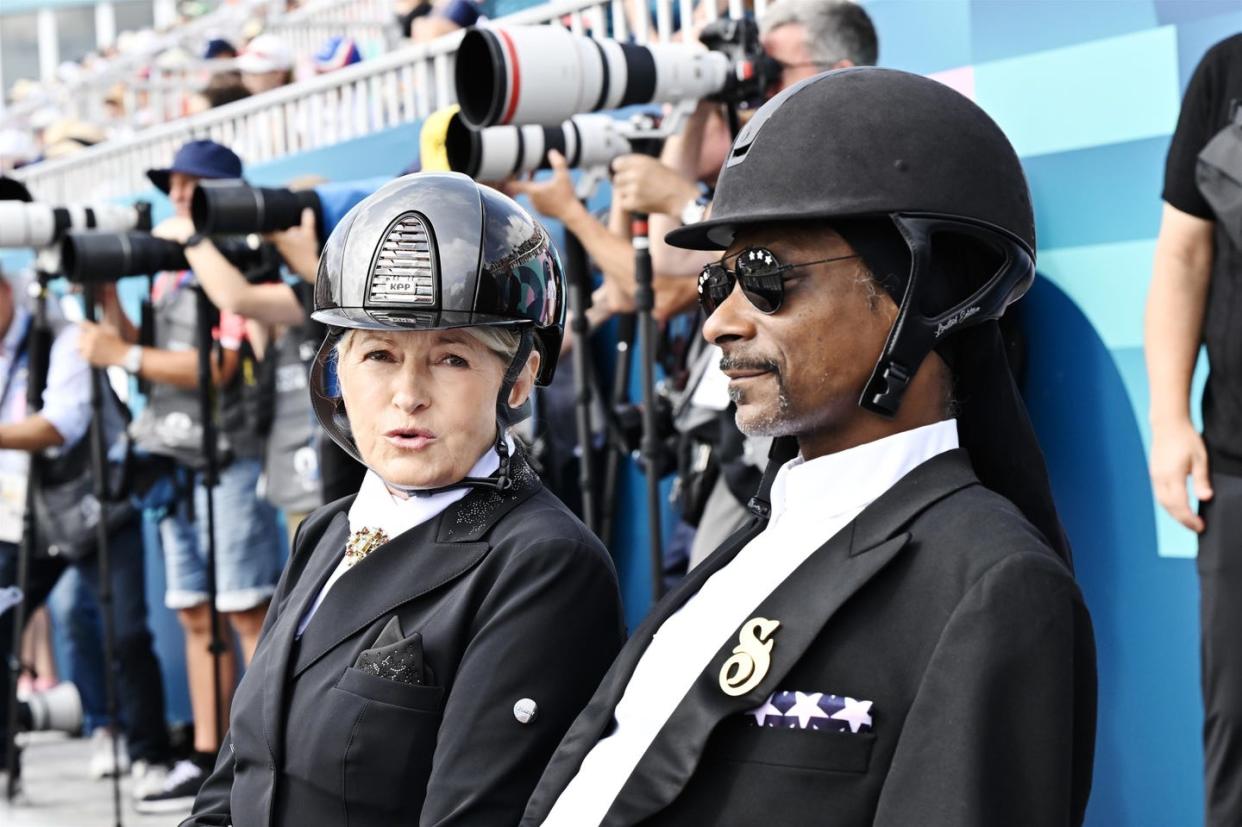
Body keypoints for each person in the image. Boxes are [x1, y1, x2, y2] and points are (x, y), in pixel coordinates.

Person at [523, 67, 1096, 826]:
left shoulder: (996, 586)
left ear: (919, 298)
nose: (719, 323)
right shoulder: (753, 543)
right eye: (716, 281)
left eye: (767, 278)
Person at [183, 172, 625, 826]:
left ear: (521, 376)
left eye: (450, 359)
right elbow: (237, 780)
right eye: (379, 355)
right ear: (338, 368)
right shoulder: (328, 530)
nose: (407, 393)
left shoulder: (545, 564)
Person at [77, 139, 285, 813]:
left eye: (194, 185)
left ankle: (266, 754)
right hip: (172, 459)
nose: (179, 195)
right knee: (194, 610)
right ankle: (205, 755)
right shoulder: (170, 266)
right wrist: (107, 296)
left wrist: (124, 354)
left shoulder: (239, 257)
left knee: (245, 608)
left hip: (229, 458)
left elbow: (217, 367)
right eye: (174, 185)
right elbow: (139, 341)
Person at [0, 273, 171, 791]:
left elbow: (61, 424)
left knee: (122, 629)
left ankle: (149, 756)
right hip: (18, 514)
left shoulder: (63, 335)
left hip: (94, 505)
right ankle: (10, 754)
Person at [1144, 33, 1242, 826]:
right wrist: (1170, 416)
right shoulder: (1229, 70)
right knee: (1236, 727)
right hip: (1239, 470)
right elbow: (1183, 253)